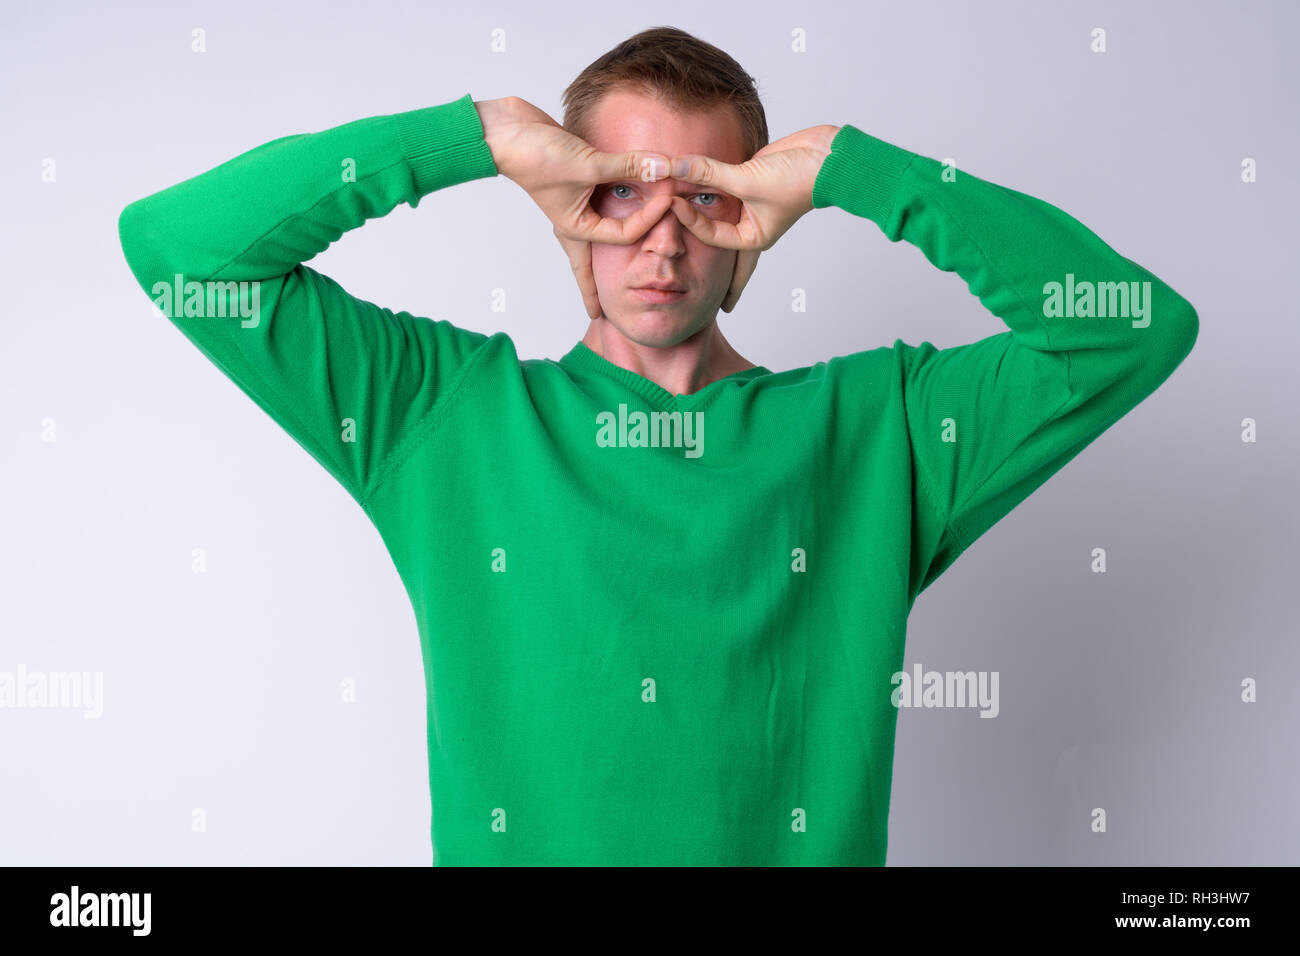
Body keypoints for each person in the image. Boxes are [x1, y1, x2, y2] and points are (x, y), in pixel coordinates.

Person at [117, 26, 1198, 865]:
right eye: (622, 189)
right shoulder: (441, 415)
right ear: (568, 206)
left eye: (703, 192)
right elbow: (176, 247)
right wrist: (480, 137)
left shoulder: (882, 430)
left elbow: (1130, 330)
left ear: (752, 228)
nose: (660, 234)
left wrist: (852, 170)